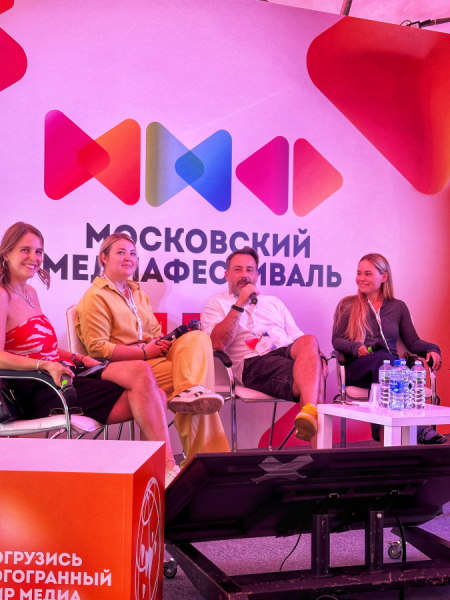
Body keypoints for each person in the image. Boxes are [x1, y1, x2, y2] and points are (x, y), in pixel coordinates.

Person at [0, 222, 181, 487]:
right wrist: (45, 366)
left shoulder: (30, 292)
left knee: (143, 375)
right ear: (6, 253)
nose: (34, 258)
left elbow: (42, 347)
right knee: (155, 398)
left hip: (63, 371)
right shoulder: (2, 295)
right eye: (25, 250)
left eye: (38, 251)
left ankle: (155, 473)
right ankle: (163, 471)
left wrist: (77, 357)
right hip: (38, 386)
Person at [75, 233, 230, 465]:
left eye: (133, 253)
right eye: (121, 252)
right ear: (103, 258)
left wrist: (160, 342)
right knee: (194, 385)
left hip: (154, 357)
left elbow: (155, 331)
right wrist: (145, 352)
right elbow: (98, 349)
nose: (129, 258)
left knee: (197, 338)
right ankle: (210, 463)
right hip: (127, 368)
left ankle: (190, 392)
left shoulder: (139, 294)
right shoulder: (95, 297)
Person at [201, 247, 325, 445]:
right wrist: (239, 304)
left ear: (257, 275)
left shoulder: (273, 302)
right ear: (227, 275)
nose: (244, 275)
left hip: (286, 352)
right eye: (238, 269)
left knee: (310, 340)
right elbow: (218, 344)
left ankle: (309, 412)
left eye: (249, 270)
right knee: (315, 378)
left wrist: (317, 357)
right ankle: (319, 450)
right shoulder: (216, 304)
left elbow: (298, 337)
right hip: (254, 362)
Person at [332, 252, 444, 444]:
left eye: (367, 274)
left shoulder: (398, 307)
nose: (361, 278)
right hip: (358, 369)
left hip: (390, 370)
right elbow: (336, 340)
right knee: (384, 362)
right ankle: (415, 429)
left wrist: (432, 349)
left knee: (389, 365)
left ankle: (396, 439)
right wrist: (355, 346)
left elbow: (412, 342)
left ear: (384, 277)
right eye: (359, 273)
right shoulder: (348, 304)